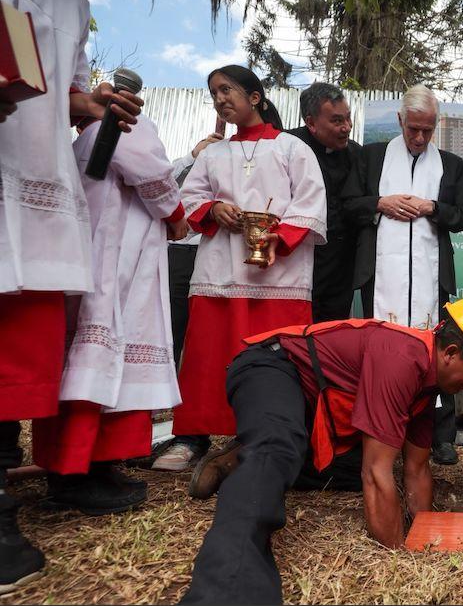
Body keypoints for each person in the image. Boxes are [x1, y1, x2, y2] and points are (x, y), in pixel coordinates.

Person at [180, 296, 463, 604]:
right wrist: (399, 557)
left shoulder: (425, 387)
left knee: (349, 471)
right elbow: (376, 472)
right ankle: (228, 588)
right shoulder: (401, 358)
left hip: (309, 409)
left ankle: (242, 459)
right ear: (451, 353)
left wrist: (425, 535)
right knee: (279, 449)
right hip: (271, 368)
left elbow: (417, 469)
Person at [0, 0, 144, 593]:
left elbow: (55, 92)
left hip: (37, 176)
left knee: (17, 351)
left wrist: (87, 105)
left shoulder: (76, 3)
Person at [151, 65, 327, 472]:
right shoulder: (213, 154)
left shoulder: (291, 149)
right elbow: (189, 199)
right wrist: (214, 208)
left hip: (277, 276)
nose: (219, 99)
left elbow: (311, 204)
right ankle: (191, 437)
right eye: (214, 93)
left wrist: (278, 236)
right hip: (220, 273)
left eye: (227, 90)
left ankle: (262, 438)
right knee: (209, 356)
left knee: (274, 360)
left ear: (254, 97)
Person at [29, 113, 186, 515]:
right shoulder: (122, 127)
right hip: (117, 260)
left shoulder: (79, 140)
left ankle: (87, 468)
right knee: (104, 357)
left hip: (88, 256)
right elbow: (153, 175)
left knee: (86, 361)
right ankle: (80, 474)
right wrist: (177, 215)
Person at [343, 84, 463, 466]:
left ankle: (439, 435)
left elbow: (462, 217)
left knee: (437, 353)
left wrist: (433, 207)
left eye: (427, 130)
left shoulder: (451, 164)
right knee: (380, 353)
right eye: (413, 128)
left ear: (436, 124)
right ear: (400, 120)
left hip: (433, 279)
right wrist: (381, 203)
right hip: (380, 276)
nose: (419, 137)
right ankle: (378, 431)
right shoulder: (371, 157)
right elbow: (348, 207)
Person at [287, 83, 362, 323]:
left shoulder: (356, 154)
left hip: (340, 267)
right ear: (311, 122)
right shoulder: (285, 146)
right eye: (337, 121)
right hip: (296, 263)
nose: (346, 128)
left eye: (348, 119)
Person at [167, 133, 224, 367]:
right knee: (172, 325)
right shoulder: (194, 161)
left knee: (207, 329)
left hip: (216, 251)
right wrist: (193, 156)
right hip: (180, 251)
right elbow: (166, 185)